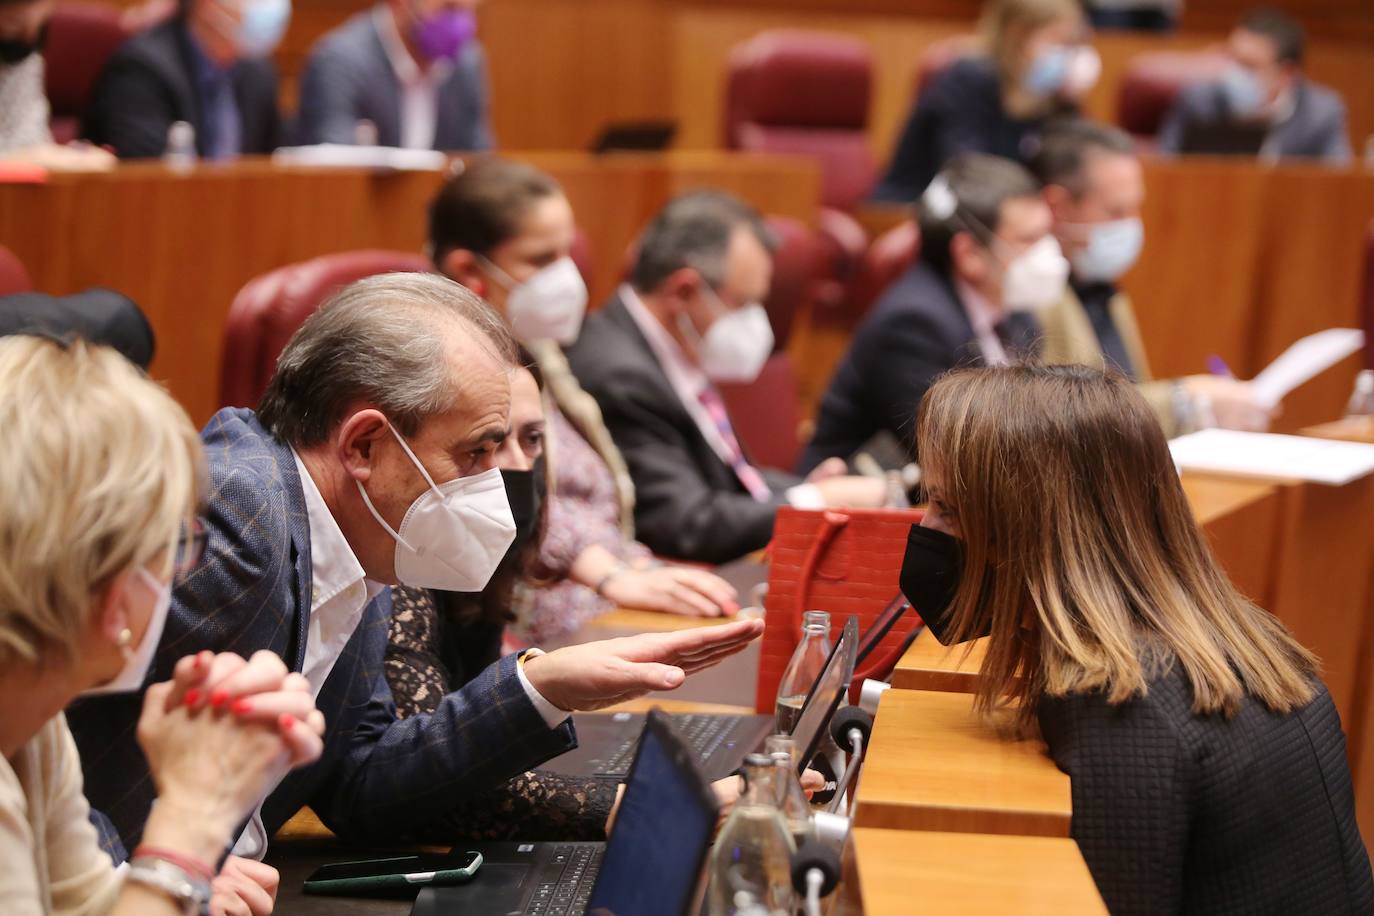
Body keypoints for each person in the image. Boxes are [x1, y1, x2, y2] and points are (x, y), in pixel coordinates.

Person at [66, 272, 765, 863]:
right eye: (477, 453)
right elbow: (59, 765)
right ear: (366, 444)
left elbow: (358, 786)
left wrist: (543, 689)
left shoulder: (354, 536)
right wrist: (171, 876)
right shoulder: (236, 522)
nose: (499, 483)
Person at [900, 363, 1374, 914]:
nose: (924, 529)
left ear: (1036, 531)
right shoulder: (1234, 637)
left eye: (948, 509)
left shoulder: (1122, 707)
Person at [385, 360, 823, 840]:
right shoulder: (392, 572)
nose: (512, 464)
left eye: (531, 440)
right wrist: (655, 804)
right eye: (484, 446)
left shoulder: (482, 552)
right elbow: (419, 779)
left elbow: (460, 760)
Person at [0, 334, 327, 916]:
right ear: (110, 592)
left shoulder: (31, 719)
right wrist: (193, 818)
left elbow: (85, 905)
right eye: (176, 544)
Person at [429, 158, 739, 639]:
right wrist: (616, 576)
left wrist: (635, 570)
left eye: (566, 254)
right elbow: (509, 503)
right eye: (541, 259)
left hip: (607, 581)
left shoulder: (536, 350)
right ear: (469, 269)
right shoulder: (445, 369)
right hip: (528, 612)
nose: (567, 277)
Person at [566, 191, 886, 564]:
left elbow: (728, 478)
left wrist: (806, 490)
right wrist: (814, 503)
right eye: (744, 302)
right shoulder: (619, 374)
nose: (757, 322)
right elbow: (686, 523)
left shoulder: (675, 348)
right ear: (683, 290)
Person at [800, 154, 1064, 472]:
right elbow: (956, 457)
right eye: (1029, 239)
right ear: (968, 254)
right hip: (858, 505)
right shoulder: (914, 323)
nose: (1048, 252)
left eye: (1046, 234)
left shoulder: (1019, 315)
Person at [1031, 119, 1274, 434]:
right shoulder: (1032, 299)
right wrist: (1186, 400)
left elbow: (1130, 401)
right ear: (1057, 205)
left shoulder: (1103, 287)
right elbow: (1064, 419)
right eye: (1117, 211)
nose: (1132, 225)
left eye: (1136, 208)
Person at [870, 0, 1096, 203]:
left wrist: (1069, 106)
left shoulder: (1052, 95)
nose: (1068, 56)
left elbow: (1070, 171)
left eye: (1073, 44)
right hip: (913, 212)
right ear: (1018, 35)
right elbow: (970, 173)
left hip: (1000, 218)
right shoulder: (969, 78)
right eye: (1060, 41)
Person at [82, 0, 288, 160]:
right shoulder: (141, 69)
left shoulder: (258, 73)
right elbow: (150, 175)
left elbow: (271, 161)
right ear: (208, 4)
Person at [1157, 7, 1351, 164]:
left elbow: (1338, 184)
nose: (1235, 73)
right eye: (1232, 59)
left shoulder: (1320, 114)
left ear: (1286, 73)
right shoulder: (1197, 101)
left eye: (1249, 65)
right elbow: (1162, 168)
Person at [296, 0, 491, 150]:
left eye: (466, 11)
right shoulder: (341, 62)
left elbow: (478, 159)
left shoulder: (466, 63)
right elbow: (336, 171)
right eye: (449, 8)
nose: (458, 24)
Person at [0, 0, 114, 168]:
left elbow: (30, 140)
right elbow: (31, 155)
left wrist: (73, 158)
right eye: (9, 10)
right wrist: (31, 159)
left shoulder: (24, 48)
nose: (26, 20)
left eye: (32, 5)